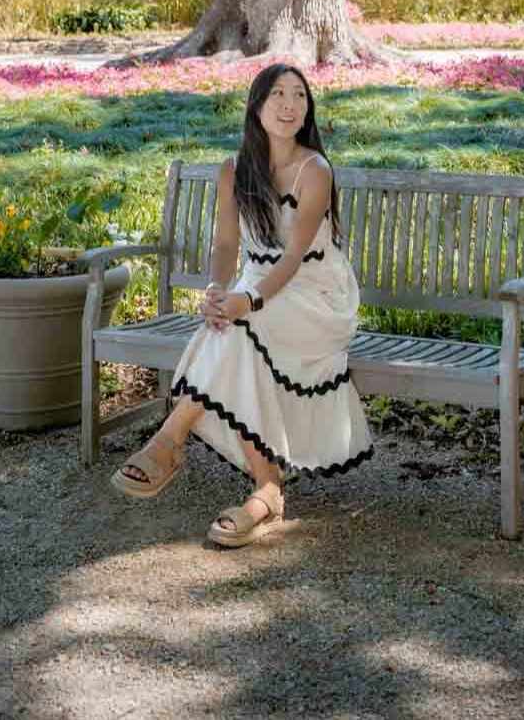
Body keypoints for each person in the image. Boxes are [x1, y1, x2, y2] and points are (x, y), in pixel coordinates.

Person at [113, 62, 373, 547]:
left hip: (316, 294)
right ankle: (266, 490)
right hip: (256, 287)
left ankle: (171, 441)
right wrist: (217, 290)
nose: (289, 105)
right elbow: (227, 244)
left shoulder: (316, 170)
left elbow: (295, 257)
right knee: (232, 332)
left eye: (299, 95)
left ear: (308, 109)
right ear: (256, 106)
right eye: (278, 94)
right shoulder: (233, 171)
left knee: (239, 328)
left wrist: (246, 300)